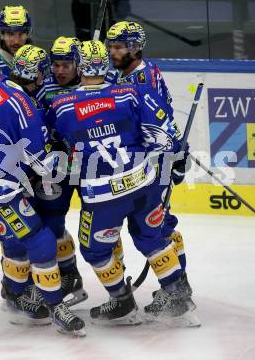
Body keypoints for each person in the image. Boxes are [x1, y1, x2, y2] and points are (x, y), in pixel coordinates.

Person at [47, 40, 199, 326]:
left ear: (79, 66)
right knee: (153, 238)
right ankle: (178, 297)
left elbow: (55, 146)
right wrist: (175, 160)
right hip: (144, 185)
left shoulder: (61, 105)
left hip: (103, 196)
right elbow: (165, 134)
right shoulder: (131, 92)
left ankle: (121, 300)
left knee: (94, 249)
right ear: (105, 64)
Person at [0, 45, 85, 336]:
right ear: (39, 74)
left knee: (13, 239)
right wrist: (72, 164)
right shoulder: (27, 110)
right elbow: (41, 164)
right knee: (41, 239)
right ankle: (56, 306)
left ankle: (13, 293)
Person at [105, 21, 192, 312]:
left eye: (118, 47)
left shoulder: (140, 83)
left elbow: (160, 124)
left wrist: (175, 155)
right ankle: (181, 285)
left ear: (134, 48)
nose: (112, 53)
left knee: (155, 227)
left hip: (154, 164)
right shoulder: (139, 71)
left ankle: (178, 294)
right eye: (110, 47)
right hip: (148, 163)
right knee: (158, 224)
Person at [30, 36, 88, 307]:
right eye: (56, 65)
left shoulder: (96, 85)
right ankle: (69, 275)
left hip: (91, 166)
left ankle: (117, 282)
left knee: (104, 227)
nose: (60, 70)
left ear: (78, 64)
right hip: (59, 167)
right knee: (52, 223)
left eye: (66, 64)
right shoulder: (45, 89)